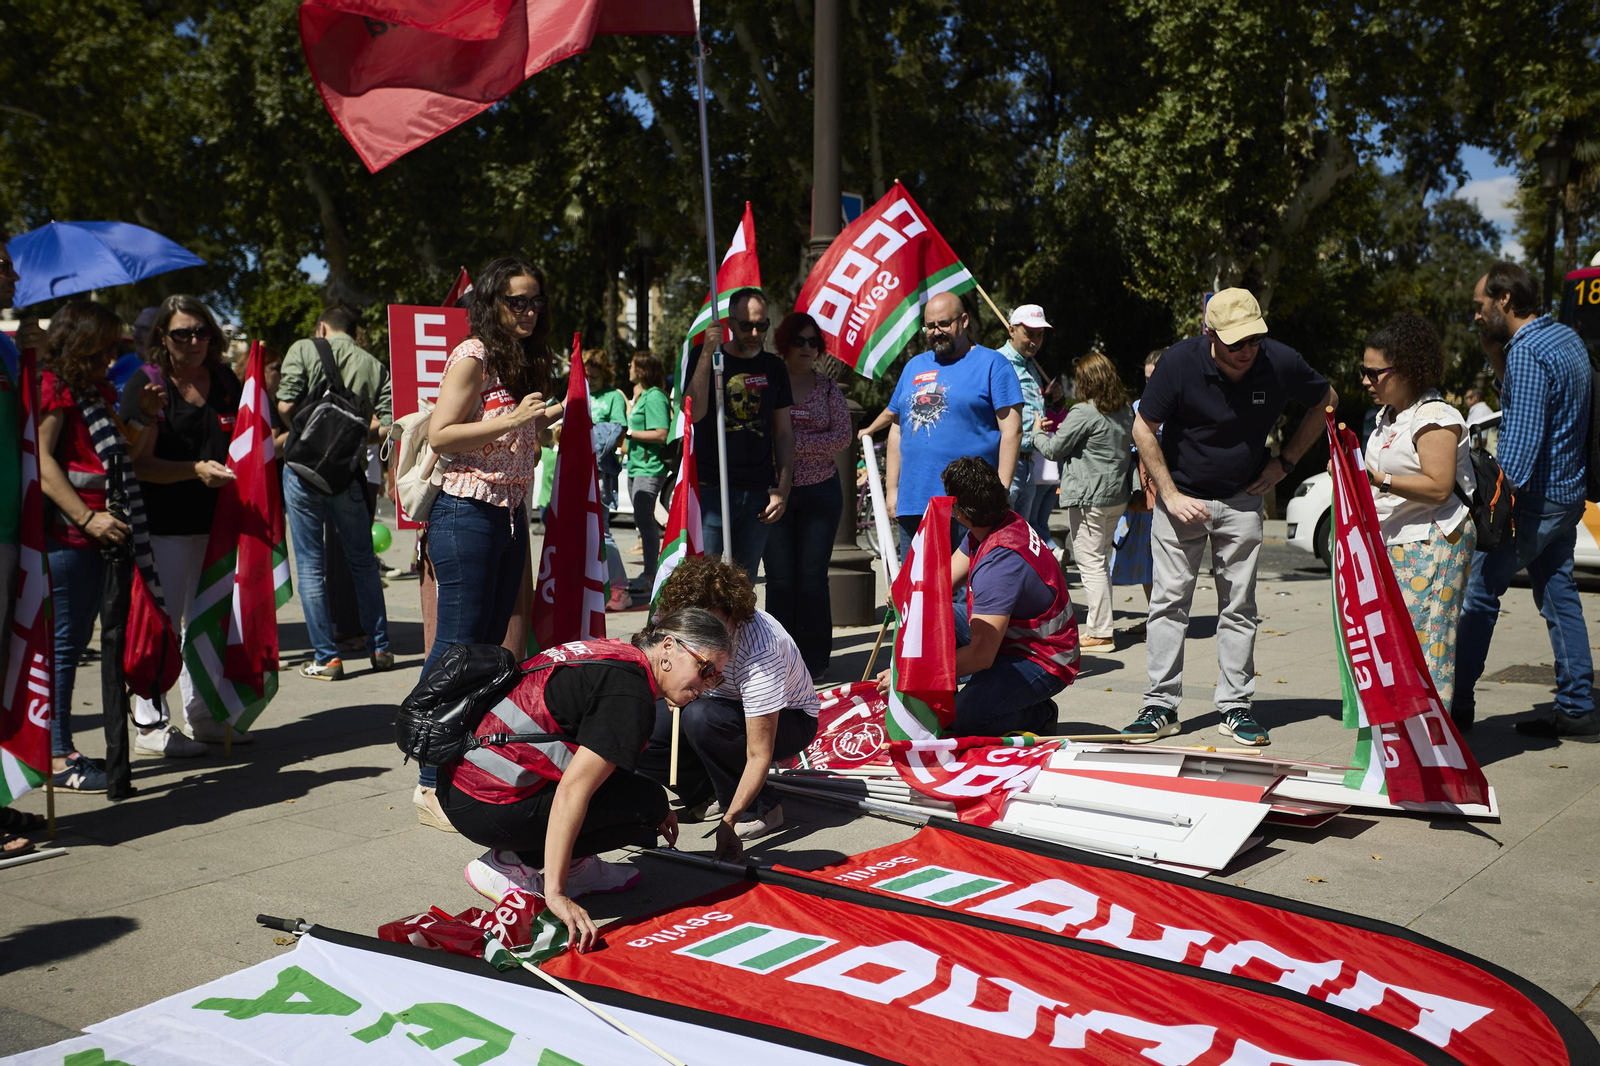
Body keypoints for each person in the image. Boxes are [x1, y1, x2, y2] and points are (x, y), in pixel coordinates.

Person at [446, 608, 733, 950]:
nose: (707, 685)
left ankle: (573, 864)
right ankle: (512, 864)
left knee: (647, 800)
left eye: (717, 677)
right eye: (705, 669)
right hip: (485, 803)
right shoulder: (631, 695)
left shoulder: (620, 654)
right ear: (669, 647)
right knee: (647, 806)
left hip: (462, 783)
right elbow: (573, 790)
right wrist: (556, 894)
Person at [1128, 288, 1336, 746]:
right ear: (1210, 334)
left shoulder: (1278, 360)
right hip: (1181, 499)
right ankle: (1160, 705)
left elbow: (1327, 400)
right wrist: (1169, 493)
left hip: (1242, 500)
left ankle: (1236, 708)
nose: (1247, 352)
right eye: (1235, 343)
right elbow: (1143, 428)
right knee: (1168, 602)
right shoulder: (1179, 363)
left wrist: (1285, 463)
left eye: (1254, 340)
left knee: (1239, 607)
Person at [419, 256, 562, 828]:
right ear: (491, 304)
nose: (527, 311)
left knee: (491, 649)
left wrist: (542, 425)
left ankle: (464, 758)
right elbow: (441, 434)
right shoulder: (473, 356)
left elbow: (520, 432)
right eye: (515, 301)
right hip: (466, 513)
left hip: (509, 514)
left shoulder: (525, 359)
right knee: (456, 647)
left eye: (534, 301)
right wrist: (513, 422)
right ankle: (428, 777)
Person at [1456, 262, 1596, 740]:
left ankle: (1457, 703)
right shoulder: (1563, 337)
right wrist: (1495, 355)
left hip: (1535, 502)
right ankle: (1578, 706)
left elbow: (1520, 445)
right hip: (1567, 497)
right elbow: (1530, 404)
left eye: (1480, 306)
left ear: (1504, 301)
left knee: (1478, 591)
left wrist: (1489, 508)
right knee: (1560, 595)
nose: (1476, 316)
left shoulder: (1529, 353)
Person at [36, 302, 161, 791]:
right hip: (68, 538)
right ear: (82, 341)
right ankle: (56, 753)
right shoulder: (55, 388)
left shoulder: (91, 390)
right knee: (63, 648)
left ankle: (57, 746)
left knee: (70, 644)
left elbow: (118, 455)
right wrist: (87, 519)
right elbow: (43, 464)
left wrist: (145, 418)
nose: (112, 358)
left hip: (93, 538)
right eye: (105, 348)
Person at [878, 457, 1078, 736]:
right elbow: (940, 584)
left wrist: (910, 675)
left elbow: (981, 656)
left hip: (1043, 659)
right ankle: (994, 694)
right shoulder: (993, 523)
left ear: (960, 514)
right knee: (931, 613)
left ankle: (1038, 714)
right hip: (1012, 638)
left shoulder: (1000, 564)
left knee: (960, 722)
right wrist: (905, 591)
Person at [120, 295, 240, 754]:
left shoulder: (227, 380)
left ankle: (204, 715)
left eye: (200, 331)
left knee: (207, 621)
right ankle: (150, 724)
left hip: (216, 524)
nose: (193, 342)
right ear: (162, 339)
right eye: (181, 334)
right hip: (163, 525)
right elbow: (139, 464)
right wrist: (194, 470)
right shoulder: (147, 385)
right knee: (162, 624)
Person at [638, 557, 820, 858]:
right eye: (698, 628)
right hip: (712, 703)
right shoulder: (673, 622)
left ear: (733, 613)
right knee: (642, 722)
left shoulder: (761, 647)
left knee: (703, 719)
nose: (707, 635)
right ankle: (704, 792)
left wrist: (730, 821)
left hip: (788, 718)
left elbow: (759, 752)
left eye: (716, 624)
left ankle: (761, 807)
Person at [1361, 315, 1476, 714]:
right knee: (1399, 649)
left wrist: (1380, 480)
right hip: (1398, 544)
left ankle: (1432, 748)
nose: (1365, 381)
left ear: (1406, 370)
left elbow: (1439, 486)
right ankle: (1407, 742)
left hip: (1434, 542)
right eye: (1364, 371)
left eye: (1374, 373)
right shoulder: (1388, 417)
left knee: (1429, 647)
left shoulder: (1435, 417)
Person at [277, 306, 394, 683]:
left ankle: (327, 658)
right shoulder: (376, 367)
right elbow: (387, 428)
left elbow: (284, 403)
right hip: (348, 475)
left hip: (302, 471)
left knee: (311, 565)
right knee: (363, 562)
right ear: (356, 332)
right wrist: (350, 436)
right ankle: (380, 648)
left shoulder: (303, 349)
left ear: (322, 327)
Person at [884, 292, 1023, 554]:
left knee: (964, 592)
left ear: (964, 320)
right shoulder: (914, 367)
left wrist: (1001, 491)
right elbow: (897, 428)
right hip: (914, 503)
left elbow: (1012, 431)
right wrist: (892, 491)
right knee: (917, 591)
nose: (936, 332)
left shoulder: (994, 364)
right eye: (930, 326)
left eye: (944, 324)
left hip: (970, 504)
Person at [762, 312, 852, 681]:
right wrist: (789, 447)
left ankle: (814, 661)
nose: (807, 348)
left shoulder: (828, 388)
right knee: (780, 579)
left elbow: (842, 437)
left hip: (820, 494)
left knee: (812, 577)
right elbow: (760, 438)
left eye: (813, 341)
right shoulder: (767, 383)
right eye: (799, 340)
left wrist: (790, 443)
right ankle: (778, 658)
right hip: (774, 494)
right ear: (784, 342)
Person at [684, 287, 795, 578]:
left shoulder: (774, 367)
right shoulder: (706, 357)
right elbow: (692, 413)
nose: (755, 333)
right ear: (729, 324)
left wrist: (782, 489)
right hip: (712, 490)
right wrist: (708, 352)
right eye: (746, 326)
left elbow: (784, 433)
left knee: (742, 588)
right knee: (703, 583)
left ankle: (738, 627)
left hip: (758, 493)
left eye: (762, 325)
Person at [0, 241, 51, 847]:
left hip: (12, 526)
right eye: (2, 266)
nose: (13, 276)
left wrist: (27, 363)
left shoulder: (9, 349)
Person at [1034, 352, 1133, 649]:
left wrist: (1037, 433)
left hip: (1089, 497)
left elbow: (1053, 450)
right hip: (1116, 496)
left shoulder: (1084, 412)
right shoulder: (1124, 411)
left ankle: (1101, 632)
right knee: (1101, 561)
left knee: (1091, 564)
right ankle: (1102, 626)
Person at [1111, 349, 1163, 632]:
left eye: (1155, 377)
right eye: (1146, 378)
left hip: (1171, 492)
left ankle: (1164, 618)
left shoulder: (1180, 404)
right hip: (1145, 495)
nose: (1150, 384)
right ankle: (1155, 617)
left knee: (1167, 557)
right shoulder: (1138, 406)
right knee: (1146, 557)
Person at [585, 351, 631, 610]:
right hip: (579, 469)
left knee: (602, 531)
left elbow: (617, 430)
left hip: (600, 472)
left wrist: (588, 433)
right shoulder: (579, 394)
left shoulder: (613, 396)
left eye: (595, 372)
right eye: (587, 372)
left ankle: (620, 588)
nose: (590, 375)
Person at [624, 351, 671, 594]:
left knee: (646, 522)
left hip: (649, 467)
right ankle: (651, 573)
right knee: (644, 521)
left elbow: (661, 433)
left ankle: (651, 575)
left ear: (642, 370)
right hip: (637, 466)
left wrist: (628, 433)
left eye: (631, 365)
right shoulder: (644, 396)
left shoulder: (654, 397)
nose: (628, 368)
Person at [998, 305, 1050, 518]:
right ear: (1011, 330)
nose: (1034, 341)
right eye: (1029, 334)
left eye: (1039, 335)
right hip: (1006, 461)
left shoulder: (1031, 366)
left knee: (1021, 535)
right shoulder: (997, 362)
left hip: (1030, 463)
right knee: (1000, 534)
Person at [1027, 373, 1066, 547]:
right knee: (1042, 522)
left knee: (1033, 522)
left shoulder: (1043, 413)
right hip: (1053, 475)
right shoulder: (1063, 414)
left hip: (1041, 474)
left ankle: (1053, 551)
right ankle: (1053, 552)